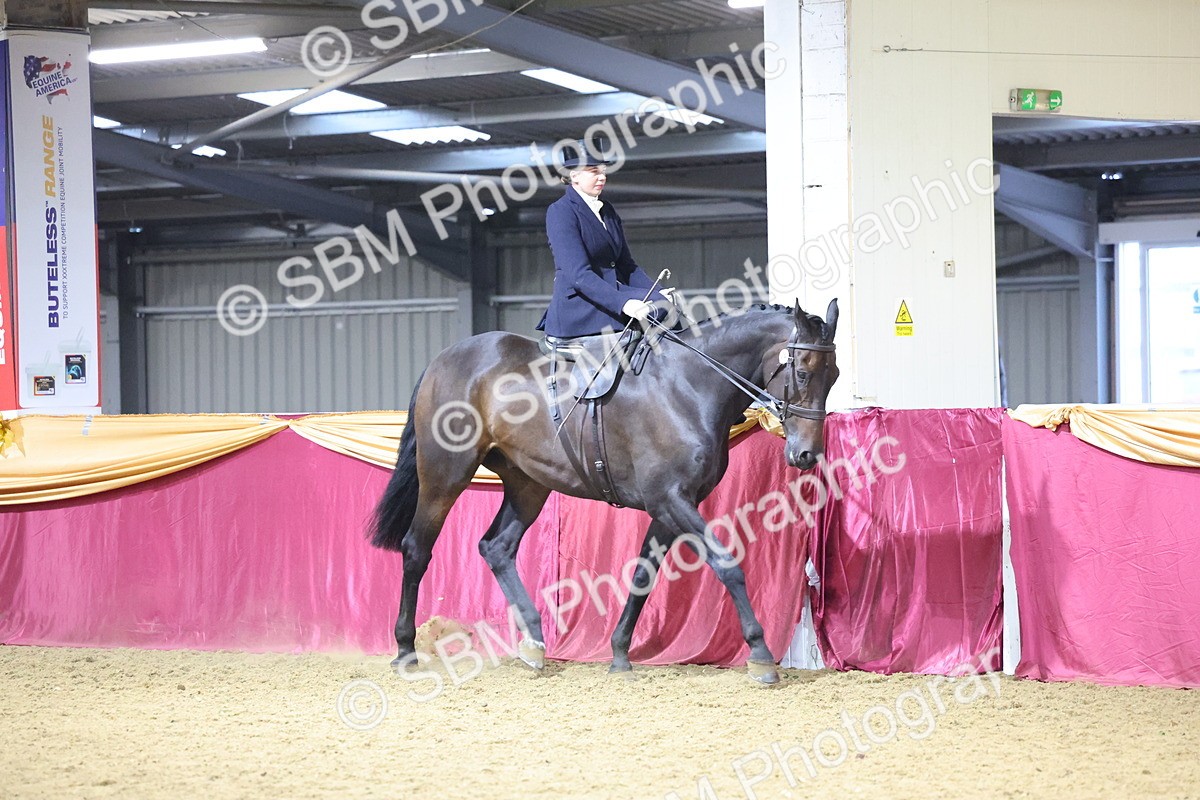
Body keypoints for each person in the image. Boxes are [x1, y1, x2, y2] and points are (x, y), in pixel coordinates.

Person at [537, 145, 675, 339]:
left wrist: (659, 291)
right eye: (594, 172)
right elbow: (579, 275)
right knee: (656, 308)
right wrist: (623, 303)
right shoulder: (561, 211)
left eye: (603, 171)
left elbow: (627, 266)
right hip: (581, 301)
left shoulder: (607, 210)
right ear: (574, 176)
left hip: (612, 291)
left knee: (664, 304)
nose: (602, 177)